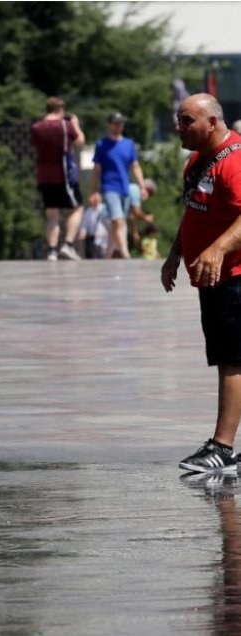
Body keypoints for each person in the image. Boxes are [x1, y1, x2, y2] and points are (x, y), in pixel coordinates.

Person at [162, 93, 241, 473]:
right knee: (229, 358)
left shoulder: (235, 161)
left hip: (234, 277)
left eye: (187, 120)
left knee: (232, 360)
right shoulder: (197, 161)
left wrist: (217, 249)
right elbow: (193, 209)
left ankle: (222, 448)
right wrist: (176, 253)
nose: (179, 127)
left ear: (212, 122)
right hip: (212, 278)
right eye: (179, 120)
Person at [30, 97, 86, 261]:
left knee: (51, 213)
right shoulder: (65, 125)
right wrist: (75, 124)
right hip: (63, 175)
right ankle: (68, 244)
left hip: (43, 174)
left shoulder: (36, 127)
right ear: (60, 110)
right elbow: (80, 142)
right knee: (77, 207)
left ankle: (52, 251)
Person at [89, 112, 150, 259]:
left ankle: (108, 255)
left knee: (116, 224)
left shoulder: (128, 144)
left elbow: (135, 166)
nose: (119, 125)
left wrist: (142, 187)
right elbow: (96, 169)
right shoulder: (102, 144)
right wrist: (94, 191)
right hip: (109, 187)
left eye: (121, 123)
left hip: (125, 188)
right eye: (116, 123)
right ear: (109, 124)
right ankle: (125, 254)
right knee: (118, 220)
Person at [126, 178, 157, 252]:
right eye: (149, 192)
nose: (148, 197)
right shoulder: (135, 190)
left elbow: (130, 216)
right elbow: (136, 213)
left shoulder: (133, 189)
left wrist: (134, 233)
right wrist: (147, 218)